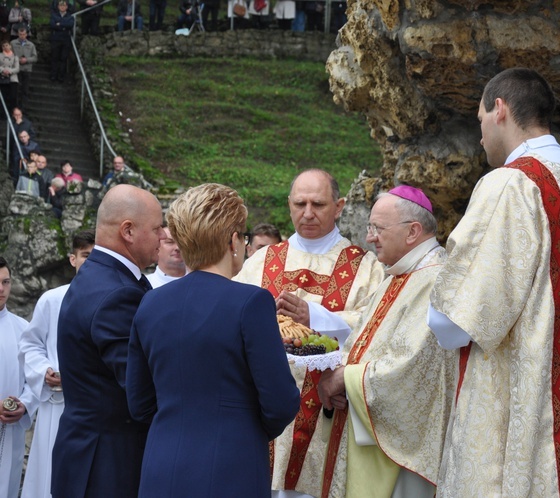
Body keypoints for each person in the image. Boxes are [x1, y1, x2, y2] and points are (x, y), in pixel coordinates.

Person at [427, 67, 560, 496]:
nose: (481, 136)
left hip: (527, 418)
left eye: (480, 121)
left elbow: (455, 322)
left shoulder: (511, 186)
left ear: (499, 110)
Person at [126, 183, 300, 497]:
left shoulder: (150, 303)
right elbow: (280, 402)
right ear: (234, 240)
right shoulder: (252, 303)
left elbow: (139, 403)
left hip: (160, 462)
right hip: (230, 466)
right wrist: (243, 428)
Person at [233, 168, 384, 498]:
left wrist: (314, 315)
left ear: (340, 206)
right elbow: (230, 324)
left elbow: (378, 327)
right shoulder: (261, 261)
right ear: (289, 204)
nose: (308, 213)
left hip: (328, 414)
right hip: (262, 410)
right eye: (300, 203)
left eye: (318, 203)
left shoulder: (364, 267)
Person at [317, 186, 457, 498]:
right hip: (367, 428)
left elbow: (411, 369)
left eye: (378, 228)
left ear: (413, 232)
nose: (369, 238)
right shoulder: (399, 275)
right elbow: (365, 336)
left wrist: (345, 379)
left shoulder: (435, 280)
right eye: (370, 228)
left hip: (402, 456)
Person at [51, 184, 166, 498]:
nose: (164, 236)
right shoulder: (118, 293)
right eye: (157, 228)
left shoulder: (99, 275)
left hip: (89, 453)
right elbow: (140, 388)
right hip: (107, 465)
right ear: (128, 231)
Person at [19, 230, 95, 498]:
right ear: (72, 259)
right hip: (55, 405)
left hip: (89, 404)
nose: (90, 261)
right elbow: (31, 344)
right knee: (47, 476)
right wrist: (44, 371)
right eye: (85, 255)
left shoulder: (109, 298)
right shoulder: (52, 299)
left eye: (96, 256)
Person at [0, 257, 37, 498]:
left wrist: (24, 405)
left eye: (6, 282)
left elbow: (33, 380)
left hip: (10, 431)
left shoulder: (23, 328)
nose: (1, 289)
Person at [11, 27, 36, 110]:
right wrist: (17, 60)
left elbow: (35, 58)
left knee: (25, 90)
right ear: (18, 34)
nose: (22, 36)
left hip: (27, 70)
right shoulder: (13, 43)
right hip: (16, 69)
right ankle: (14, 108)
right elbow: (9, 55)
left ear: (26, 34)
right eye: (20, 34)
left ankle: (23, 108)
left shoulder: (31, 45)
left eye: (23, 34)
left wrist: (27, 60)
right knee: (16, 90)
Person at [49, 0, 74, 83]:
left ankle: (61, 76)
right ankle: (53, 75)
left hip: (65, 40)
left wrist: (59, 24)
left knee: (63, 59)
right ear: (58, 6)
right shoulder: (54, 15)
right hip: (56, 39)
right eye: (60, 5)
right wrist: (63, 26)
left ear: (67, 7)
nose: (62, 7)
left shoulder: (70, 16)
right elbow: (52, 25)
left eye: (64, 6)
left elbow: (70, 24)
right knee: (54, 57)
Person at [0, 40, 18, 111]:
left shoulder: (15, 57)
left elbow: (17, 68)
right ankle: (2, 114)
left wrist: (9, 71)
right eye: (3, 46)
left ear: (10, 46)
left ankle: (13, 113)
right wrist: (3, 70)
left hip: (13, 79)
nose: (5, 47)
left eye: (6, 45)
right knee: (2, 97)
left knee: (13, 97)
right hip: (2, 78)